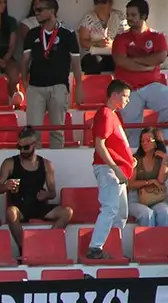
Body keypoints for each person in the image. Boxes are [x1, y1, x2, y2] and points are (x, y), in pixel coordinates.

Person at [0, 127, 73, 251]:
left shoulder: (46, 165)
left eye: (25, 148)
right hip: (20, 206)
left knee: (67, 212)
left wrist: (46, 195)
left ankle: (47, 245)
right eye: (19, 147)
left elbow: (52, 193)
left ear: (34, 145)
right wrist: (6, 186)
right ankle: (24, 249)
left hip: (39, 205)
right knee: (11, 212)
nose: (22, 151)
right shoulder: (10, 163)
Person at [21, 0, 81, 151]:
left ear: (52, 11)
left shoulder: (68, 33)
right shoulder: (32, 33)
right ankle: (35, 168)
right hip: (35, 87)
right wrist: (24, 83)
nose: (37, 12)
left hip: (58, 87)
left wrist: (79, 87)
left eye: (40, 9)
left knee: (57, 131)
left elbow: (76, 62)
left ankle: (55, 167)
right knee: (33, 134)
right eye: (35, 9)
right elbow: (25, 61)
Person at [89, 79, 134, 260]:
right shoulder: (106, 114)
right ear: (114, 95)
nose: (127, 100)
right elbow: (100, 145)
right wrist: (115, 168)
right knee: (110, 208)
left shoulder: (112, 115)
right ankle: (95, 248)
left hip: (116, 169)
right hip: (108, 169)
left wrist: (128, 162)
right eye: (125, 96)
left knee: (121, 212)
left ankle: (112, 246)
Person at [115, 0, 168, 142]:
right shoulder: (121, 38)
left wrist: (133, 59)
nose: (129, 18)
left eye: (133, 15)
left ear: (144, 16)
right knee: (132, 131)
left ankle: (161, 138)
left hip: (151, 86)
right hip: (128, 89)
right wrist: (146, 65)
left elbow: (160, 57)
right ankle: (134, 161)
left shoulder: (157, 36)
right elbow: (121, 61)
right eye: (128, 15)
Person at [127, 128, 168, 226]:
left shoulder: (160, 159)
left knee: (165, 212)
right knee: (147, 214)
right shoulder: (136, 159)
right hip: (136, 200)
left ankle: (162, 241)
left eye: (148, 140)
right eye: (142, 141)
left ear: (156, 143)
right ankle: (148, 241)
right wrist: (150, 182)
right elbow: (131, 184)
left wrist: (165, 161)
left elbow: (161, 180)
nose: (144, 143)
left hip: (156, 198)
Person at [78, 0, 128, 74]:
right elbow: (83, 42)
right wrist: (97, 43)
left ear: (111, 3)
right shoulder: (88, 18)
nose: (100, 5)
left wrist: (114, 44)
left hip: (114, 53)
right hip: (94, 54)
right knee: (90, 61)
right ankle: (93, 84)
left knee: (122, 61)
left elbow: (126, 39)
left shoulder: (119, 16)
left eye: (103, 2)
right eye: (97, 2)